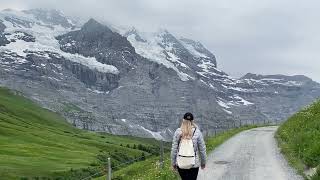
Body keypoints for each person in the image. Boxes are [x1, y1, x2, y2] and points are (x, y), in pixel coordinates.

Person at [171, 112, 207, 180]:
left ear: (183, 120)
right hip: (194, 163)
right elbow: (202, 149)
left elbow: (174, 149)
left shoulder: (178, 132)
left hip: (181, 163)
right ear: (192, 121)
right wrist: (203, 162)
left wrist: (173, 163)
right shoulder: (197, 132)